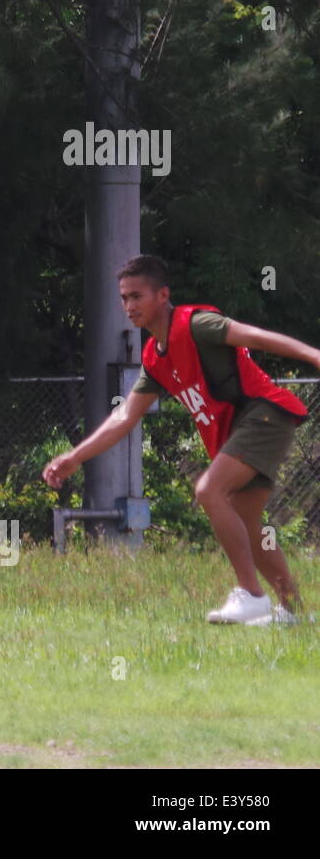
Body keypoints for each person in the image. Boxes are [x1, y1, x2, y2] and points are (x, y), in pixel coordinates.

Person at [43, 255, 314, 624]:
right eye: (123, 298)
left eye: (136, 296)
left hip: (264, 414)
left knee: (209, 491)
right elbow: (125, 416)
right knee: (247, 520)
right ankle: (292, 612)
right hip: (242, 427)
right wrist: (75, 456)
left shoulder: (197, 324)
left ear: (162, 295)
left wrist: (315, 355)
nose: (128, 306)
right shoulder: (155, 357)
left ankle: (251, 594)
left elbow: (256, 336)